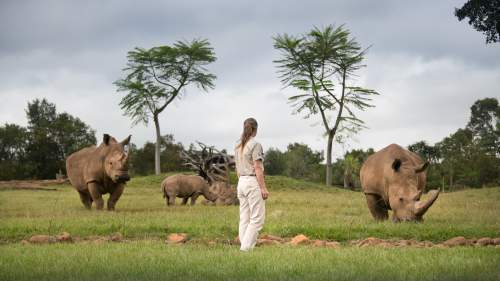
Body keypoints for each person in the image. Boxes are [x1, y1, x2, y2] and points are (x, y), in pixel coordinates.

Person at [234, 117, 269, 252]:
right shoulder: (255, 145)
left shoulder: (238, 144)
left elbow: (237, 167)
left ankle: (244, 247)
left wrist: (241, 181)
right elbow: (258, 167)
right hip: (251, 182)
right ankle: (245, 250)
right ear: (255, 129)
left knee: (244, 218)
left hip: (241, 181)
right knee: (257, 219)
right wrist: (263, 188)